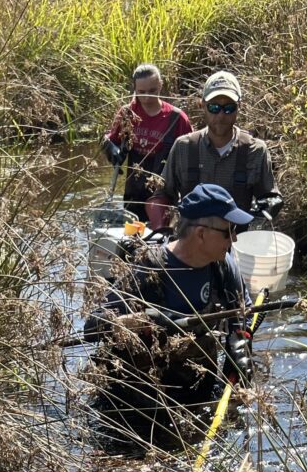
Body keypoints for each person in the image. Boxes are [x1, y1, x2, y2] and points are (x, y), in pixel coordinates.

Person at [85, 183, 255, 448]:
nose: (234, 239)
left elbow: (241, 313)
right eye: (229, 231)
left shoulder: (224, 265)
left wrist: (240, 343)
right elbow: (92, 326)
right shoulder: (149, 269)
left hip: (197, 392)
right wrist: (135, 321)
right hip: (143, 406)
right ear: (201, 234)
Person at [147, 70, 283, 229]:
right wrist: (160, 228)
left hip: (236, 243)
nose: (220, 116)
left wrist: (268, 206)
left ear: (239, 106)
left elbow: (269, 196)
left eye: (228, 108)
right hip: (191, 244)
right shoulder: (183, 147)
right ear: (202, 105)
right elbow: (162, 194)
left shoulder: (256, 150)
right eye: (214, 107)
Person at [101, 64, 192, 222]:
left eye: (152, 91)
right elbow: (110, 139)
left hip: (165, 195)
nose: (147, 97)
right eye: (141, 92)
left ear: (160, 86)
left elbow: (192, 156)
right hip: (133, 194)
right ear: (134, 88)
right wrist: (110, 148)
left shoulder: (177, 118)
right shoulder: (127, 113)